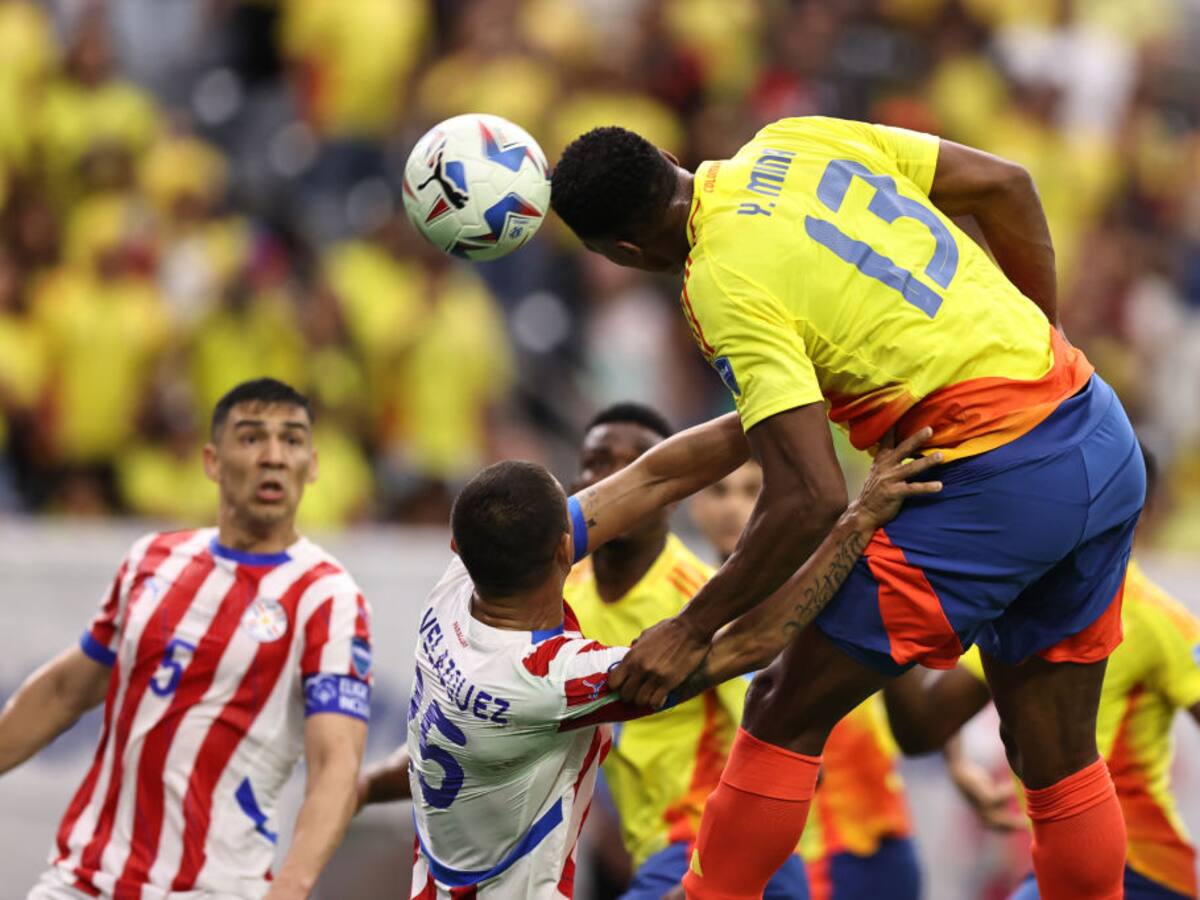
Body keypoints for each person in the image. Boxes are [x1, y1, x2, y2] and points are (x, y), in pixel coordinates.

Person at [551, 116, 1146, 900]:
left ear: (624, 253)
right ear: (667, 158)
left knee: (781, 708)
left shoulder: (717, 279)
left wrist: (692, 627)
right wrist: (1040, 335)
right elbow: (1007, 185)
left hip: (996, 480)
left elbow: (808, 496)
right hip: (1096, 428)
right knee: (1055, 752)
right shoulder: (793, 139)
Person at [357, 415, 941, 897]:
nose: (600, 488)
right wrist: (857, 520)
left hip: (697, 850)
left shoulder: (455, 590)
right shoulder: (553, 679)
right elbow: (751, 645)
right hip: (679, 866)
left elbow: (654, 476)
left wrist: (783, 404)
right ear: (565, 548)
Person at [0, 378, 373, 900]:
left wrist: (291, 886)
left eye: (291, 440)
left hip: (212, 889)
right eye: (251, 438)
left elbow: (336, 762)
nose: (273, 456)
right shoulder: (151, 560)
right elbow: (65, 690)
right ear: (212, 462)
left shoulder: (328, 596)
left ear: (311, 466)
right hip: (81, 879)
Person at [882, 447, 1200, 900]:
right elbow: (924, 729)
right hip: (1060, 858)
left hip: (1141, 870)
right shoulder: (1023, 609)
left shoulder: (1157, 619)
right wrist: (881, 606)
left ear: (1140, 511)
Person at [563, 404, 808, 899]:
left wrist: (708, 877)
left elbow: (783, 740)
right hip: (655, 852)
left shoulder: (704, 602)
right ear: (579, 485)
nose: (617, 480)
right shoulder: (562, 593)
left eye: (638, 465)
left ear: (671, 491)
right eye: (599, 463)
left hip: (713, 851)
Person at [691, 461, 921, 900]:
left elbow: (909, 662)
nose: (733, 508)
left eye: (752, 490)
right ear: (694, 504)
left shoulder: (833, 581)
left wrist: (956, 760)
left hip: (871, 838)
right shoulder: (682, 617)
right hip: (780, 850)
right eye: (719, 491)